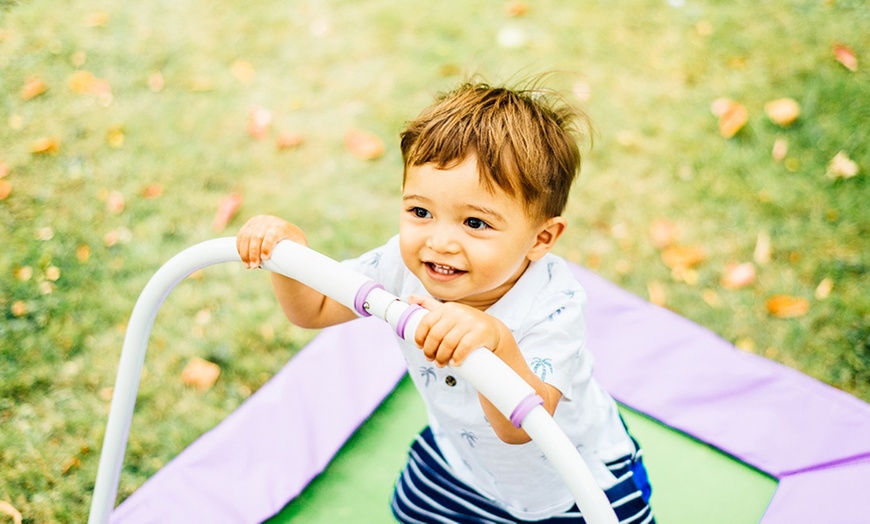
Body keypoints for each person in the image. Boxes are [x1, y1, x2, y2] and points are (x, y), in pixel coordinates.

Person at [236, 79, 654, 523]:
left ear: (542, 238)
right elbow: (312, 309)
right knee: (411, 509)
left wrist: (496, 339)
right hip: (463, 465)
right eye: (420, 212)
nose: (439, 242)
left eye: (475, 222)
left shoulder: (554, 302)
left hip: (573, 485)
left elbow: (520, 430)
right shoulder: (402, 263)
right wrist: (289, 256)